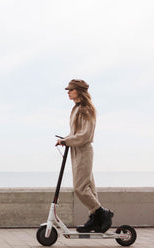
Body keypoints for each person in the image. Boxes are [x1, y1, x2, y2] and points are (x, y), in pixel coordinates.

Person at [55, 79, 113, 233]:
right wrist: (64, 140)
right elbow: (75, 134)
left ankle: (102, 213)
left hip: (83, 150)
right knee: (89, 187)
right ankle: (94, 219)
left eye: (71, 90)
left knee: (80, 188)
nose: (68, 92)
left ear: (79, 91)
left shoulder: (85, 109)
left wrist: (66, 141)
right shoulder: (76, 108)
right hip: (76, 149)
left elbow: (85, 135)